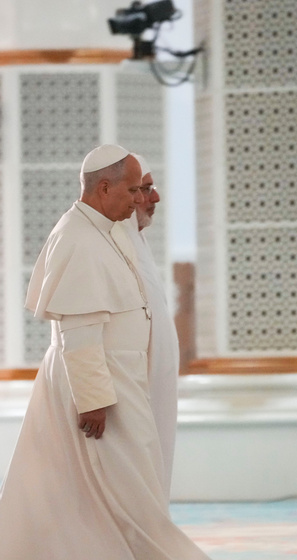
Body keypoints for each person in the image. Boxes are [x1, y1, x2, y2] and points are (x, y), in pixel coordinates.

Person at [0, 144, 221, 560]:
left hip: (117, 379)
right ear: (103, 188)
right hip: (98, 385)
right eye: (133, 190)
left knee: (117, 488)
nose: (138, 200)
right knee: (127, 487)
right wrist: (93, 400)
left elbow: (134, 232)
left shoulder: (104, 226)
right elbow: (80, 331)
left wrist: (144, 200)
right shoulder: (77, 238)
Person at [114, 154, 179, 500]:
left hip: (155, 385)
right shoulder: (109, 248)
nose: (154, 198)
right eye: (145, 189)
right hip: (129, 387)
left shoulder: (138, 243)